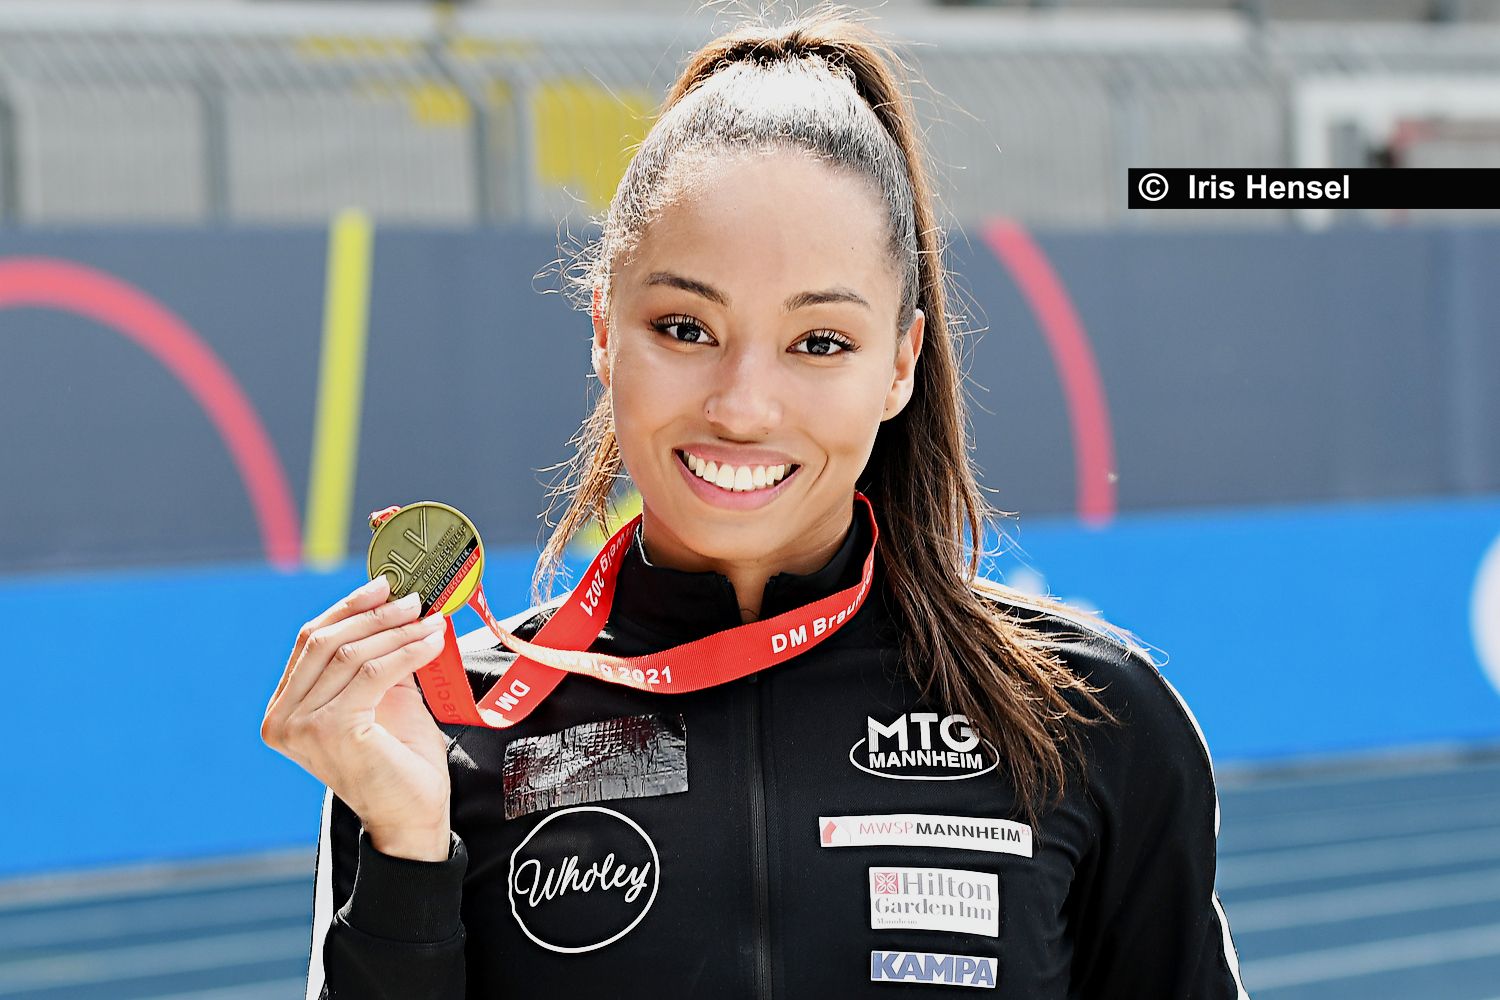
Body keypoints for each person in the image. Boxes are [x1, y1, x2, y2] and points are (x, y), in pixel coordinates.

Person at [262, 6, 1250, 997]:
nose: (742, 407)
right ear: (604, 326)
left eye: (819, 342)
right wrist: (406, 853)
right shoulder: (440, 735)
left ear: (900, 363)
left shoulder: (1089, 718)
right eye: (684, 327)